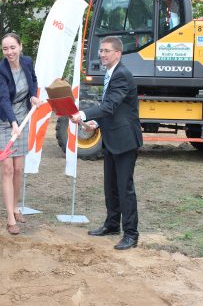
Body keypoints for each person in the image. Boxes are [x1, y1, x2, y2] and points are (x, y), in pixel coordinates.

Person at [71, 36, 143, 250]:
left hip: (125, 141)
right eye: (100, 50)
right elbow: (112, 110)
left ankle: (131, 234)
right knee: (110, 186)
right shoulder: (110, 74)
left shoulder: (121, 75)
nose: (101, 54)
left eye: (106, 51)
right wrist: (94, 122)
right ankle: (112, 225)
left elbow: (110, 106)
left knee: (124, 188)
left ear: (118, 54)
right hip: (112, 138)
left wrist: (82, 114)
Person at [0, 33, 41, 235]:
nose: (9, 52)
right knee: (7, 169)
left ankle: (15, 206)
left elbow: (34, 81)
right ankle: (10, 218)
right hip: (4, 121)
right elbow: (3, 99)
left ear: (20, 47)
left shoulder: (27, 62)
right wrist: (13, 122)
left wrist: (33, 97)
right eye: (5, 49)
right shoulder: (0, 70)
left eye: (13, 47)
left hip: (23, 119)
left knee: (19, 168)